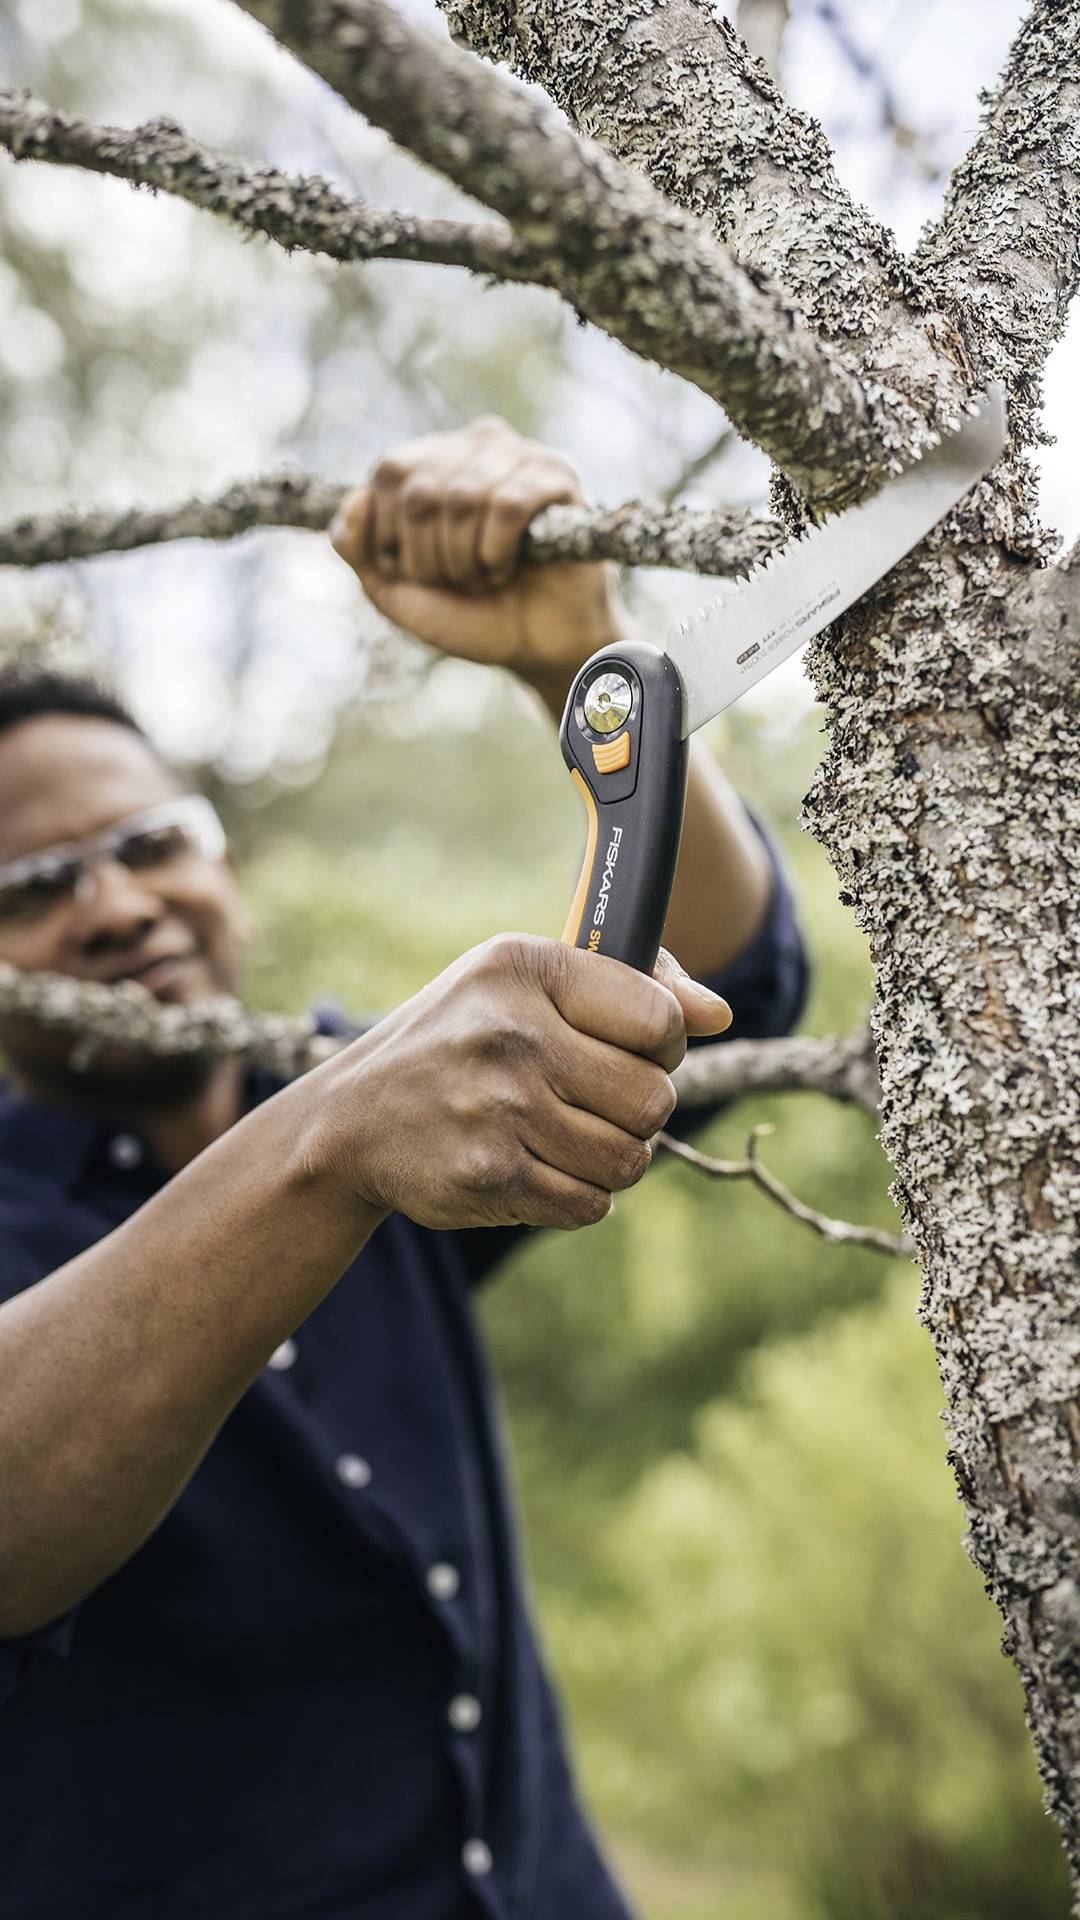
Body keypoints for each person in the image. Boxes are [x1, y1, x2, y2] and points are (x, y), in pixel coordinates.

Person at [0, 417, 808, 1919]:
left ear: (224, 861)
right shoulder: (342, 1125)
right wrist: (333, 1143)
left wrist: (583, 660)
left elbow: (738, 981)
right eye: (34, 886)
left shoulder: (386, 1112)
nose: (115, 905)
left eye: (151, 841)